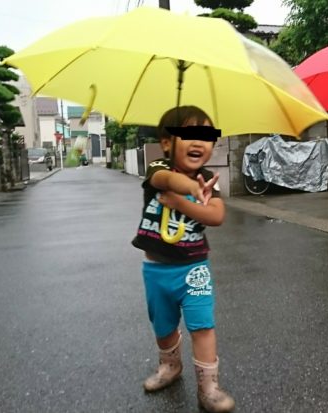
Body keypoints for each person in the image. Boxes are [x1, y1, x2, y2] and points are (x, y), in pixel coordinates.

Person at [131, 105, 235, 412]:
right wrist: (190, 188)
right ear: (166, 142)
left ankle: (209, 387)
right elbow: (165, 180)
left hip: (195, 269)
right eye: (189, 135)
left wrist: (182, 202)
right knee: (163, 326)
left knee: (202, 326)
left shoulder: (209, 180)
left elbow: (216, 215)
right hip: (157, 270)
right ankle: (170, 366)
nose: (198, 143)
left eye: (206, 137)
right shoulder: (158, 168)